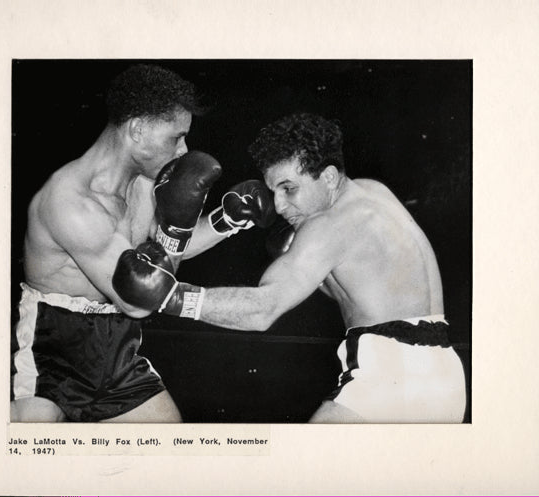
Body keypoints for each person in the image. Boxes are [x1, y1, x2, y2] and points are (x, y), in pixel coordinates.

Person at [117, 112, 467, 423]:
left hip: (392, 379)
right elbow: (360, 290)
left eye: (289, 189)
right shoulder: (373, 193)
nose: (279, 205)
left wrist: (170, 298)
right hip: (447, 378)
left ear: (329, 176)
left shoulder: (327, 226)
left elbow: (263, 310)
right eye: (274, 191)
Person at [10, 64, 275, 423]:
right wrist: (176, 231)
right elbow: (139, 297)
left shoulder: (143, 184)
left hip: (117, 342)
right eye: (175, 137)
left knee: (170, 445)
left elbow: (159, 261)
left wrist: (225, 221)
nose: (184, 150)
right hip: (53, 347)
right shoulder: (72, 203)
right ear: (137, 129)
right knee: (30, 463)